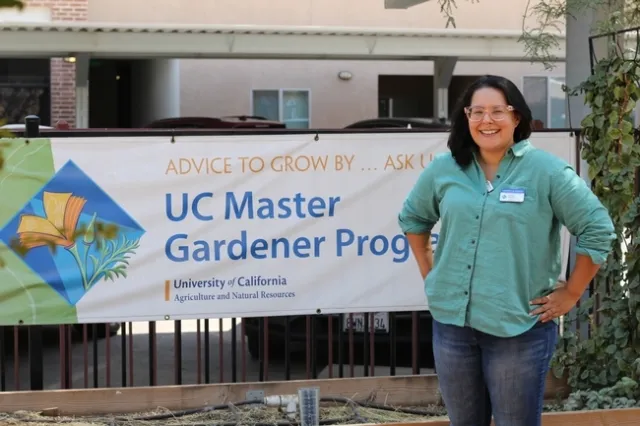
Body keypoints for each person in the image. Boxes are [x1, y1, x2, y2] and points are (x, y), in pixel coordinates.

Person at [397, 75, 615, 426]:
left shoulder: (547, 171)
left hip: (518, 329)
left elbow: (597, 228)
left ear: (517, 118)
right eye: (477, 111)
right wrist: (432, 274)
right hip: (453, 326)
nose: (487, 120)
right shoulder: (445, 169)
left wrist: (572, 292)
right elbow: (413, 218)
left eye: (498, 111)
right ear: (465, 118)